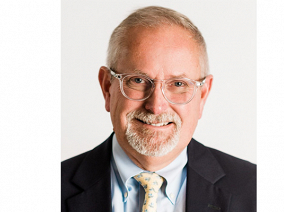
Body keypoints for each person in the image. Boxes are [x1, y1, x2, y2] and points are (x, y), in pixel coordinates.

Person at [61, 6, 256, 212]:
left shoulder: (256, 191)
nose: (156, 106)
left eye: (179, 84)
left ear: (203, 95)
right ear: (107, 87)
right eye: (137, 80)